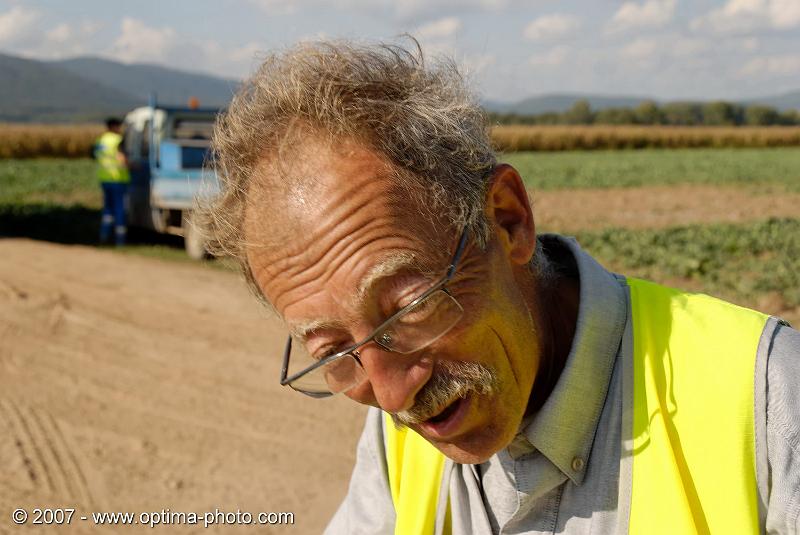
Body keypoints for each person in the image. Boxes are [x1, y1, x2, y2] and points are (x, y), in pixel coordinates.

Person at [197, 40, 800, 534]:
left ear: (506, 220)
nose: (389, 394)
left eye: (409, 308)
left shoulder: (763, 393)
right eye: (333, 353)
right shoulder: (390, 429)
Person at [93, 117, 130, 246]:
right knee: (120, 209)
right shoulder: (117, 140)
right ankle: (120, 240)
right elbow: (122, 160)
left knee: (108, 210)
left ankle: (104, 236)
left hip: (104, 179)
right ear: (115, 127)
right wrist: (134, 166)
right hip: (118, 179)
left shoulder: (100, 141)